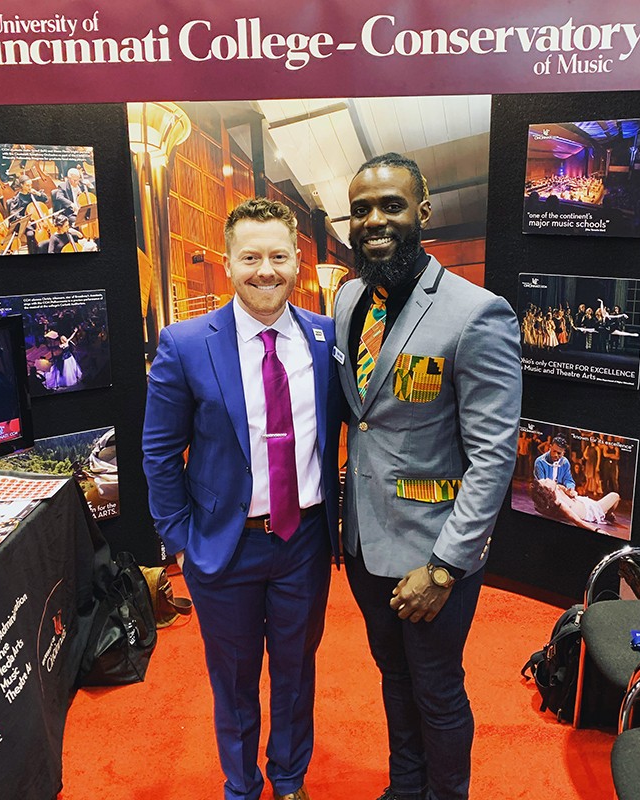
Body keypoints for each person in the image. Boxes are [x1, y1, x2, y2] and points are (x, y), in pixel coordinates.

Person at [333, 153, 521, 800]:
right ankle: (404, 788)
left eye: (392, 205)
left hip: (433, 555)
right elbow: (363, 421)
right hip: (363, 544)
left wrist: (445, 567)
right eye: (361, 209)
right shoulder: (349, 298)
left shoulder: (477, 313)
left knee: (437, 690)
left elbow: (493, 457)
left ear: (424, 211)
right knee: (393, 679)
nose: (375, 220)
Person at [142, 198, 341, 800]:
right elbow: (159, 453)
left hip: (304, 541)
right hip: (223, 549)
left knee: (296, 674)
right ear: (227, 263)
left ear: (297, 261)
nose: (265, 270)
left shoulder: (324, 337)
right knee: (232, 681)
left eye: (278, 256)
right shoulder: (185, 343)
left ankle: (289, 780)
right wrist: (181, 541)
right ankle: (241, 785)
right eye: (250, 257)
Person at [530, 478, 619, 532]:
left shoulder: (556, 487)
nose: (547, 478)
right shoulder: (559, 503)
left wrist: (569, 492)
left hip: (581, 501)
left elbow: (564, 489)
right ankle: (606, 514)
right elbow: (577, 521)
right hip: (590, 511)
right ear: (549, 489)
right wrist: (596, 530)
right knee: (615, 496)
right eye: (546, 481)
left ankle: (606, 513)